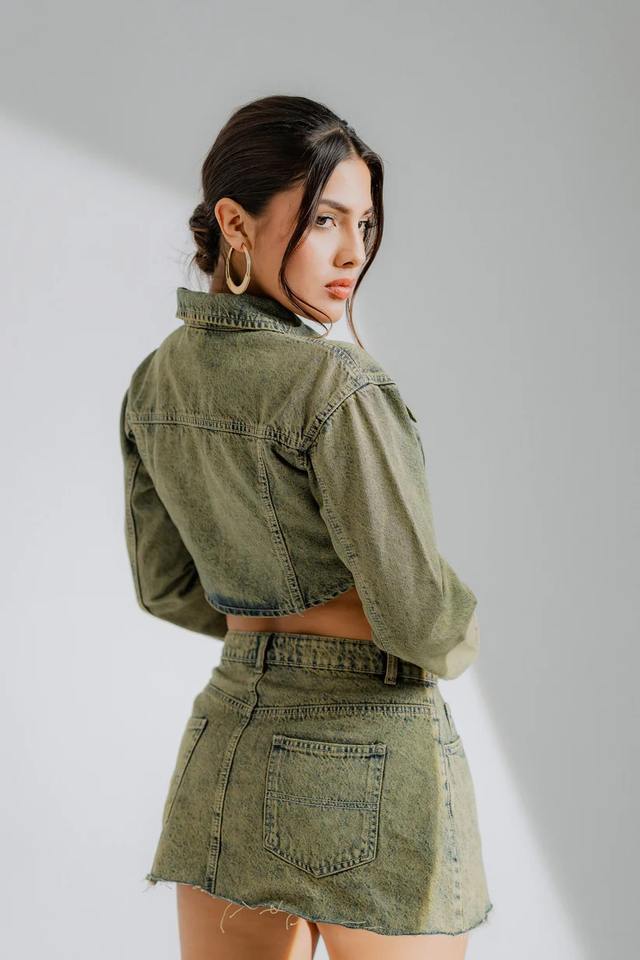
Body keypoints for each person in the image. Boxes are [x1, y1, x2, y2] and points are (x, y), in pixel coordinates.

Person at [120, 94, 493, 959]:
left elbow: (164, 587)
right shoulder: (336, 387)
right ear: (234, 223)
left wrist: (268, 627)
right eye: (325, 219)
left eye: (364, 224)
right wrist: (459, 635)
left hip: (228, 744)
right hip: (367, 742)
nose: (353, 253)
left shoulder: (154, 384)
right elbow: (419, 618)